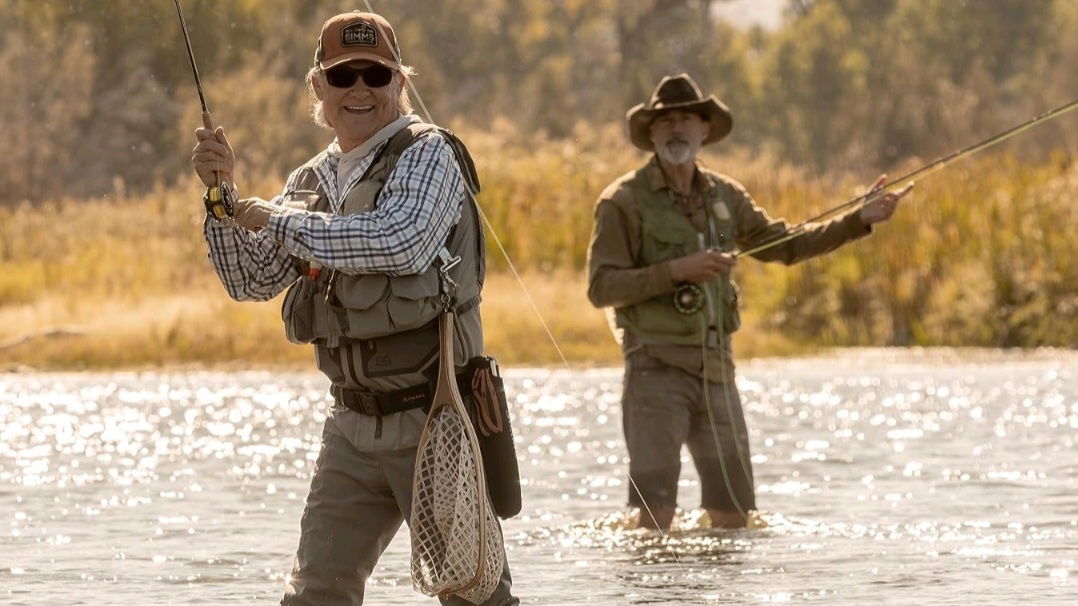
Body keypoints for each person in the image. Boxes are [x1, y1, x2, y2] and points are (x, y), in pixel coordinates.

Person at [190, 11, 518, 606]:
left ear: (400, 82)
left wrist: (276, 218)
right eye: (343, 77)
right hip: (349, 427)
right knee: (315, 595)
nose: (359, 89)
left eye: (376, 74)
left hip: (438, 419)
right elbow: (250, 279)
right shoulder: (310, 179)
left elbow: (398, 242)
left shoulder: (431, 154)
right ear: (318, 87)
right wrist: (220, 196)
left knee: (475, 597)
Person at [586, 73, 911, 531]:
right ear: (651, 133)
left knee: (734, 515)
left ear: (704, 130)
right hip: (654, 371)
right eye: (666, 121)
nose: (676, 128)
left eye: (687, 119)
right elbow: (601, 287)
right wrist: (678, 270)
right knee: (655, 516)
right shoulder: (622, 202)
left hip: (718, 372)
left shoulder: (726, 195)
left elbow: (787, 245)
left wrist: (858, 219)